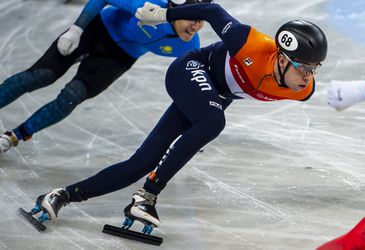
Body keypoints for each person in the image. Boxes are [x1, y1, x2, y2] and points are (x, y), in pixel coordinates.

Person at [26, 1, 328, 236]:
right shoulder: (249, 44)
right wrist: (162, 15)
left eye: (314, 68)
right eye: (303, 67)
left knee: (142, 162)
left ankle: (62, 196)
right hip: (190, 70)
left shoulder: (302, 91)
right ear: (283, 57)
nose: (307, 76)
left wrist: (198, 130)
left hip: (208, 97)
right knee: (213, 121)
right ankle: (147, 196)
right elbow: (211, 10)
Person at [0, 0, 210, 155]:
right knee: (40, 76)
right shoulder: (149, 6)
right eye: (193, 18)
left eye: (202, 20)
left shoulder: (189, 45)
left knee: (73, 95)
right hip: (95, 30)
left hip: (118, 57)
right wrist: (76, 28)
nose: (197, 26)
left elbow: (193, 82)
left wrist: (196, 123)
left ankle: (14, 136)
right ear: (174, 10)